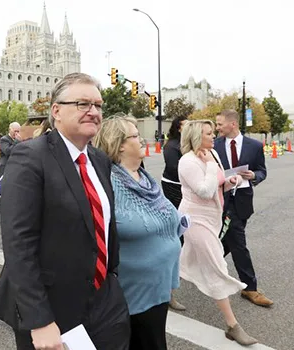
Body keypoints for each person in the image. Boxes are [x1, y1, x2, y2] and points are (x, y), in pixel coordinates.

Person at [0, 73, 130, 350]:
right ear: (56, 111)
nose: (93, 112)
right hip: (53, 309)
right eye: (82, 104)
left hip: (104, 302)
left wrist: (113, 285)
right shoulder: (30, 156)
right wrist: (39, 321)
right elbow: (19, 244)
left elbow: (101, 228)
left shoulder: (100, 160)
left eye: (98, 105)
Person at [94, 115, 185, 350]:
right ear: (119, 143)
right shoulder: (108, 183)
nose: (143, 140)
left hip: (160, 286)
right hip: (133, 294)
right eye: (136, 135)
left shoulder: (143, 176)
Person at [178, 120, 257, 345]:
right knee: (216, 266)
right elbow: (204, 190)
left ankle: (166, 290)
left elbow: (218, 185)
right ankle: (233, 326)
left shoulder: (212, 153)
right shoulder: (188, 161)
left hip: (213, 217)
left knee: (186, 259)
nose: (214, 136)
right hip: (195, 218)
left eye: (213, 132)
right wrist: (212, 170)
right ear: (195, 136)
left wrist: (230, 182)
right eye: (208, 133)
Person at [214, 109, 272, 307]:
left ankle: (202, 266)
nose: (217, 127)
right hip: (221, 200)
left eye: (220, 124)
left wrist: (254, 176)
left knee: (227, 241)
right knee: (238, 242)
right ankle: (250, 288)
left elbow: (262, 171)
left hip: (243, 201)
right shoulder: (213, 146)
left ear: (233, 124)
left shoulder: (254, 146)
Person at [161, 115, 188, 311]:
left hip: (186, 188)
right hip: (173, 188)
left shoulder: (187, 143)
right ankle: (168, 289)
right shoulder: (172, 146)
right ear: (179, 127)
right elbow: (173, 167)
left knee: (184, 234)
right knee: (177, 235)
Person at [0, 122, 21, 225]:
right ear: (10, 130)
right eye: (15, 131)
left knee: (14, 193)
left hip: (16, 168)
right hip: (5, 169)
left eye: (18, 131)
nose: (17, 133)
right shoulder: (4, 139)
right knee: (5, 193)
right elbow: (9, 151)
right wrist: (17, 141)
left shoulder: (18, 140)